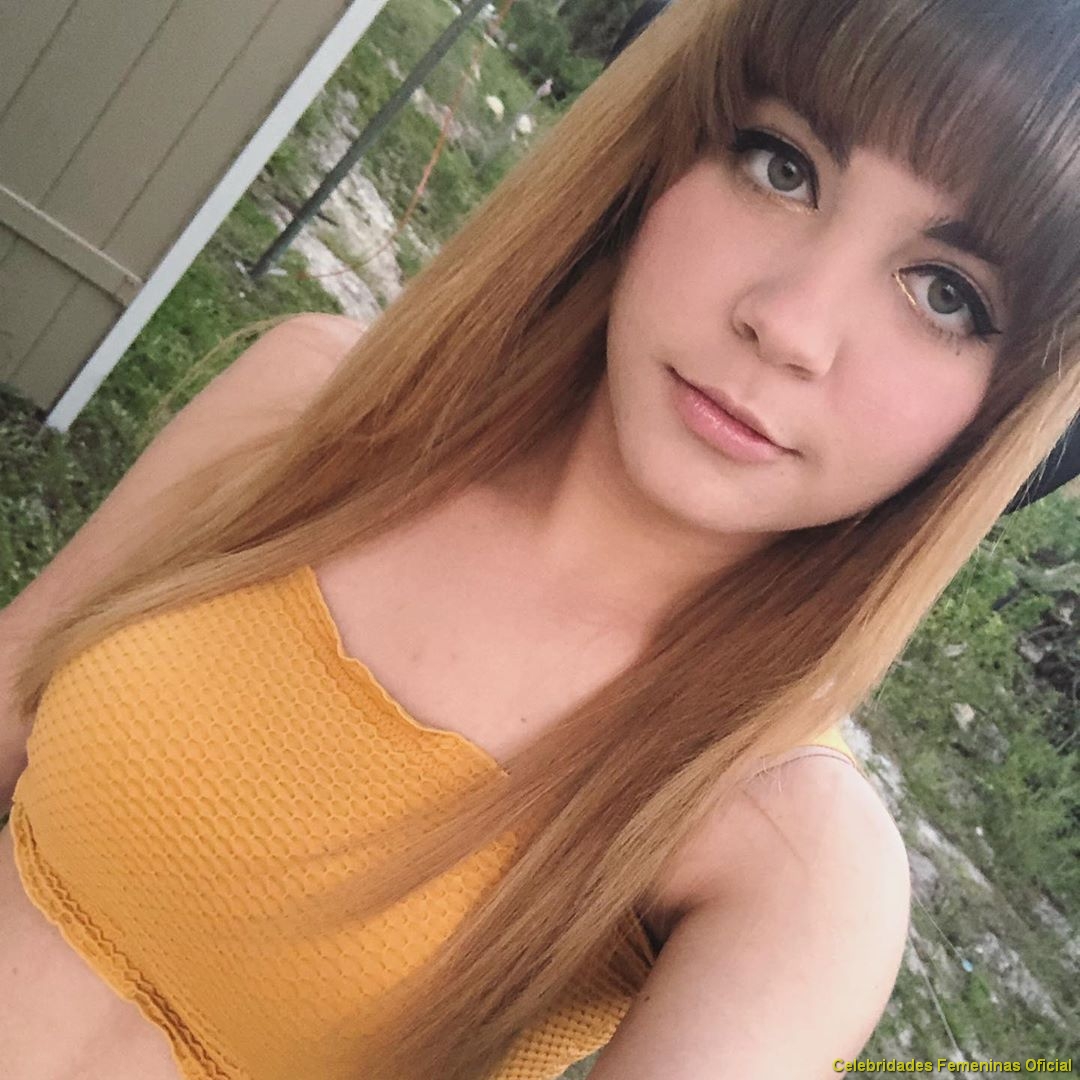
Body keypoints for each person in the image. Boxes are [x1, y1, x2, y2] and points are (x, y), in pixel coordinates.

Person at [1, 0, 1079, 1076]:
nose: (787, 324)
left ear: (1003, 415)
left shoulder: (790, 859)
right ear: (664, 156)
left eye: (946, 294)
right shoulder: (308, 407)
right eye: (781, 166)